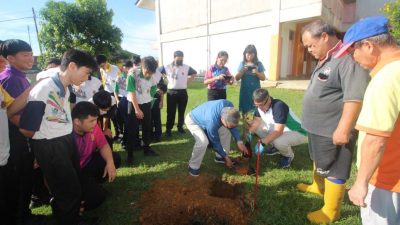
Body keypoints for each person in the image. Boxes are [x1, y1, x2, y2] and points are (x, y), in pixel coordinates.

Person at [298, 20, 369, 224]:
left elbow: (354, 98)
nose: (309, 50)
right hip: (317, 128)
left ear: (325, 37)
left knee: (334, 167)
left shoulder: (347, 60)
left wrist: (344, 129)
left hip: (334, 130)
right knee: (320, 160)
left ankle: (331, 211)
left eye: (311, 45)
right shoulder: (328, 58)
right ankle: (317, 187)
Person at [19, 49, 98, 225]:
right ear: (72, 66)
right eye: (86, 73)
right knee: (65, 190)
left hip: (65, 140)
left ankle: (73, 218)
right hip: (51, 146)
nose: (86, 78)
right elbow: (26, 128)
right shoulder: (44, 88)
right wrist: (41, 151)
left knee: (74, 185)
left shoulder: (64, 86)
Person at [334, 16, 400, 225]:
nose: (353, 58)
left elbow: (375, 139)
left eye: (353, 51)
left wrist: (361, 183)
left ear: (369, 46)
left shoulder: (385, 79)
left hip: (386, 179)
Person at [0, 39, 39, 225]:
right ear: (10, 58)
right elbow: (10, 114)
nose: (30, 58)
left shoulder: (21, 76)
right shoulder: (10, 78)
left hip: (23, 134)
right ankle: (21, 216)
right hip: (16, 137)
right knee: (19, 180)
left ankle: (25, 213)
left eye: (31, 54)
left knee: (26, 177)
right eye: (25, 55)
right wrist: (30, 134)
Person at [72, 101, 120, 212]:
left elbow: (103, 145)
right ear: (77, 122)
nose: (95, 124)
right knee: (97, 198)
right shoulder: (66, 136)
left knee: (114, 159)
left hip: (87, 163)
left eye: (95, 120)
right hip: (73, 173)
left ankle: (92, 185)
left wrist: (110, 163)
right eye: (91, 121)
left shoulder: (93, 127)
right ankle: (72, 207)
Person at [185, 99, 249, 176]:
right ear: (222, 119)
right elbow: (215, 142)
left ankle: (220, 157)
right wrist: (226, 158)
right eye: (230, 125)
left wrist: (239, 141)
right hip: (193, 121)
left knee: (227, 130)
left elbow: (233, 126)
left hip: (207, 118)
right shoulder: (211, 121)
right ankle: (193, 166)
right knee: (203, 141)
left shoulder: (230, 108)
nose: (231, 127)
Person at [248, 88, 307, 168]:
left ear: (268, 99)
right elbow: (256, 121)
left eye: (261, 105)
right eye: (256, 105)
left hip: (298, 132)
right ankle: (276, 148)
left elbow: (278, 131)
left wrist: (262, 143)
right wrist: (250, 133)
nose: (259, 108)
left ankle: (288, 156)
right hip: (281, 129)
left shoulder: (278, 106)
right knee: (258, 128)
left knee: (278, 141)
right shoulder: (260, 105)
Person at [0, 84, 32, 225]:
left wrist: (36, 86)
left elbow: (10, 108)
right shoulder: (9, 79)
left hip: (4, 156)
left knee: (10, 202)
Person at [125, 56, 161, 165]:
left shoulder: (154, 75)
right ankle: (130, 155)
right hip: (133, 104)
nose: (148, 75)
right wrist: (137, 109)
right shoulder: (133, 74)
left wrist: (150, 96)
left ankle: (146, 149)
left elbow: (154, 87)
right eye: (147, 72)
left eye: (151, 73)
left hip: (146, 104)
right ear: (142, 66)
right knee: (132, 130)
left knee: (147, 127)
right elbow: (132, 92)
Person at [160, 50, 197, 137]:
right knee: (171, 112)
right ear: (174, 58)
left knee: (181, 111)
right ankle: (168, 129)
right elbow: (157, 72)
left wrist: (187, 82)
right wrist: (164, 79)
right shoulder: (167, 66)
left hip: (183, 92)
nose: (180, 61)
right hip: (171, 92)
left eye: (181, 59)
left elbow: (194, 73)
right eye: (178, 59)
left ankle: (180, 127)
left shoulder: (186, 67)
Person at [235, 44, 266, 139]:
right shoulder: (242, 63)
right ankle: (246, 132)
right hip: (245, 92)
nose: (249, 56)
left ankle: (255, 130)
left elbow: (263, 78)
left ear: (255, 54)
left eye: (251, 54)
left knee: (256, 112)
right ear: (244, 54)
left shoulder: (259, 64)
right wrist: (242, 71)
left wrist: (257, 72)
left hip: (256, 92)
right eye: (247, 54)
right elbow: (237, 78)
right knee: (245, 112)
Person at [96, 54, 122, 141]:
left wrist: (117, 97)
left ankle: (120, 134)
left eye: (102, 65)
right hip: (107, 95)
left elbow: (120, 84)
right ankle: (109, 134)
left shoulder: (115, 69)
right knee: (108, 116)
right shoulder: (101, 70)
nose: (102, 68)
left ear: (106, 62)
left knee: (117, 116)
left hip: (116, 95)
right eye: (100, 66)